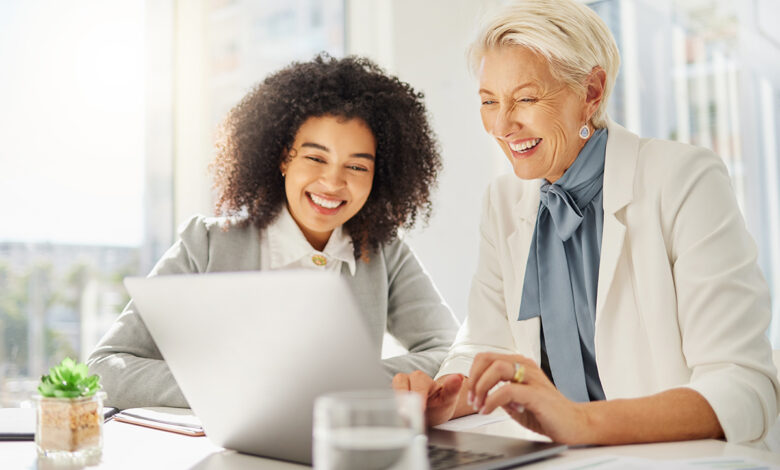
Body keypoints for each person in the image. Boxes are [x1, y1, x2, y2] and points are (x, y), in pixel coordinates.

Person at [392, 0, 779, 446]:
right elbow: (484, 344)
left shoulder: (684, 179)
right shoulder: (504, 200)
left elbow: (743, 385)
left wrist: (581, 424)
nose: (501, 125)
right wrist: (451, 397)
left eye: (526, 98)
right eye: (488, 101)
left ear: (592, 92)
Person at [88, 54, 459, 410]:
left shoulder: (383, 253)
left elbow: (451, 351)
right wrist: (232, 385)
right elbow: (105, 368)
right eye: (316, 158)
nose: (333, 182)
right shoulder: (207, 245)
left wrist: (342, 384)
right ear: (284, 158)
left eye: (357, 167)